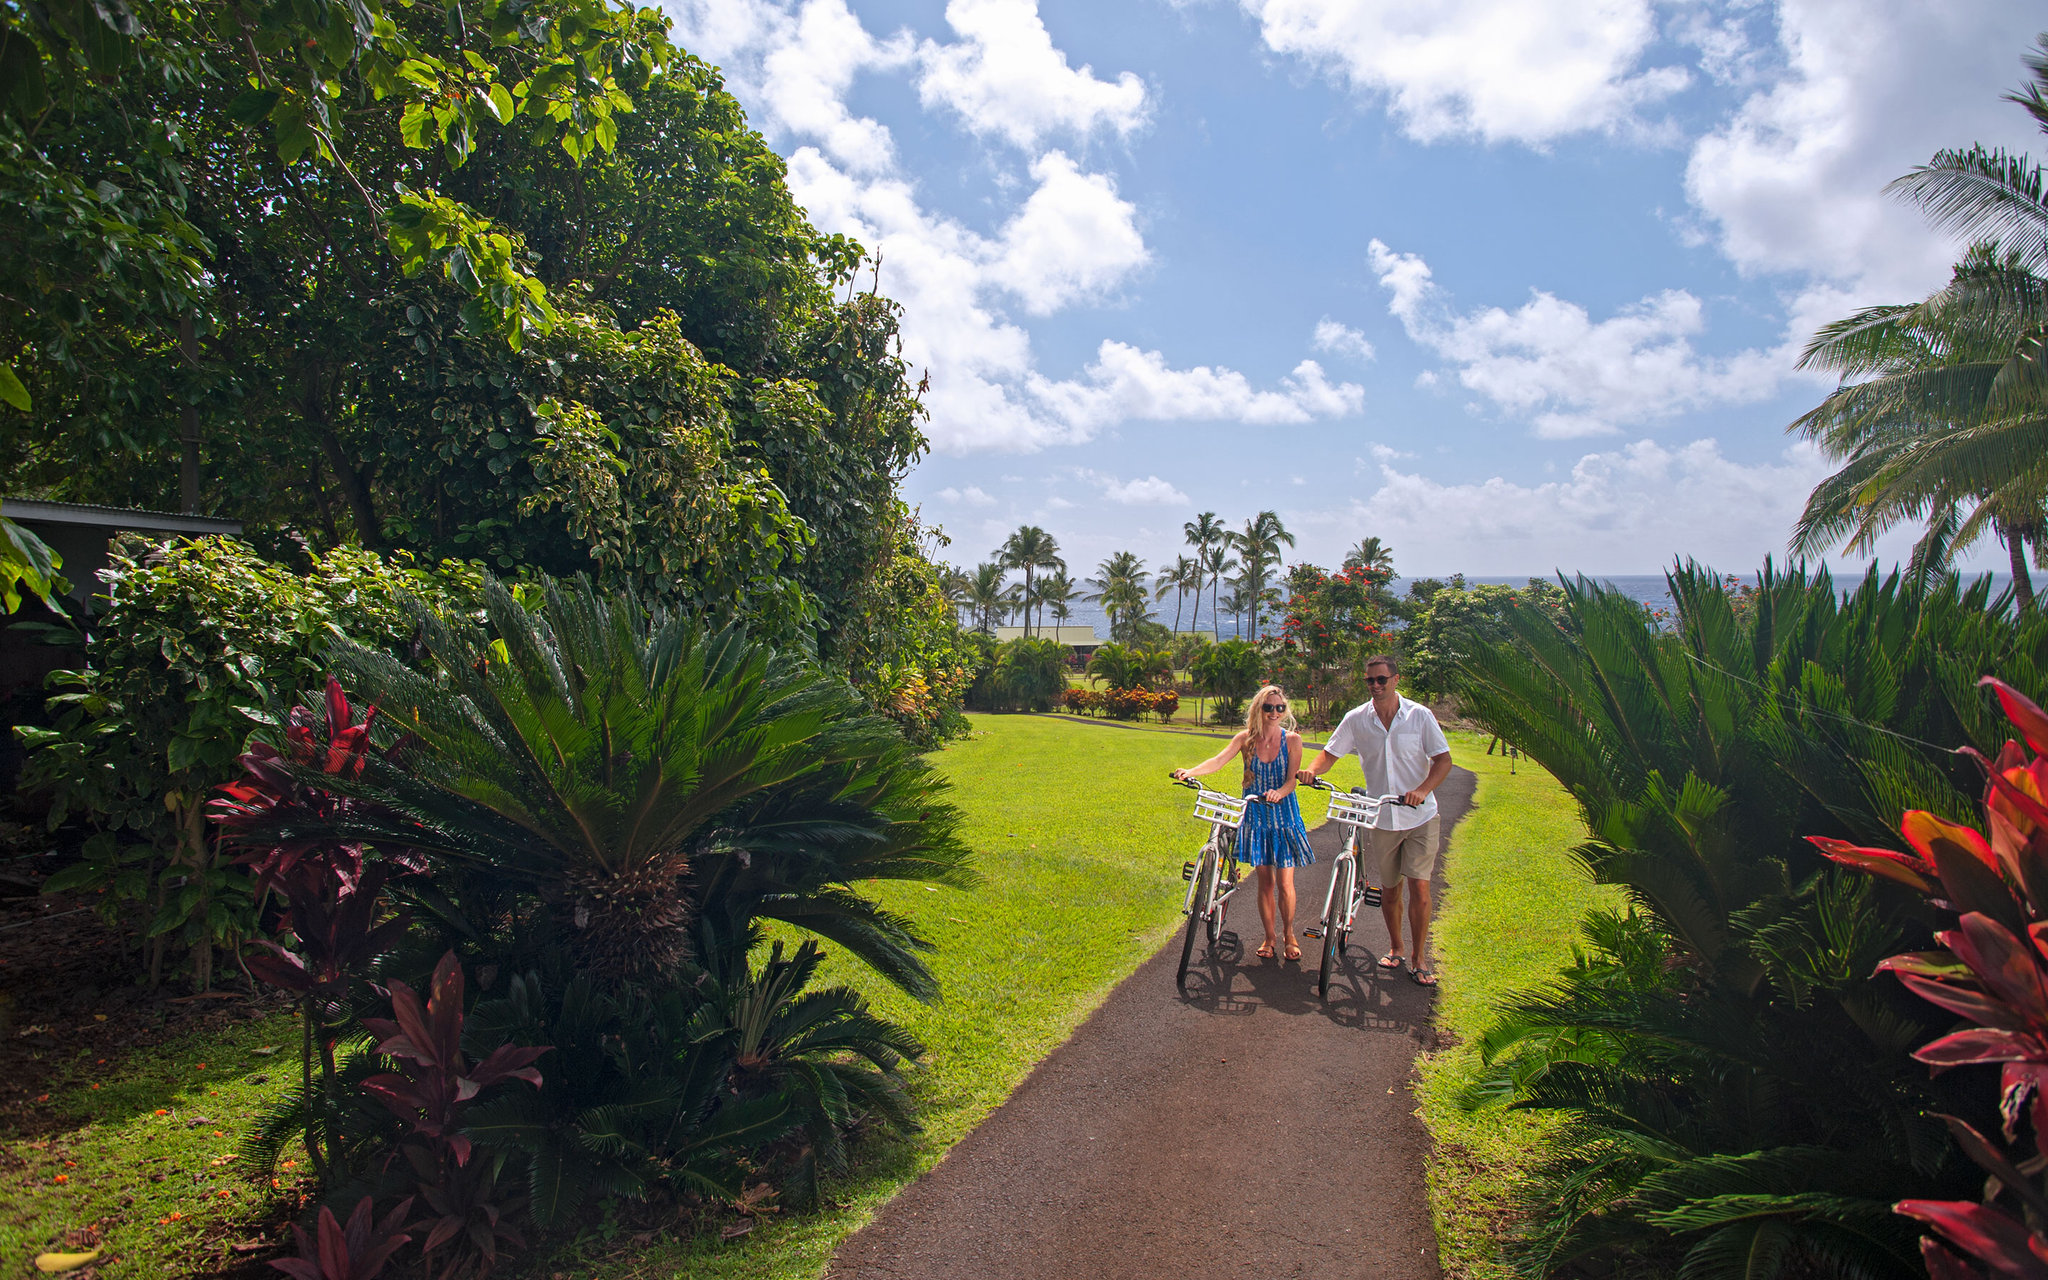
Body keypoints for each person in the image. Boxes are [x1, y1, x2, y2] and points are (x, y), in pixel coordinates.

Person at [1297, 655, 1452, 986]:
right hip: (1382, 817)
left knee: (1420, 886)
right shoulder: (1357, 719)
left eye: (1382, 679)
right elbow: (1330, 753)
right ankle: (1396, 947)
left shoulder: (1419, 716)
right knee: (1390, 890)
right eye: (1370, 680)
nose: (1376, 685)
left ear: (1396, 680)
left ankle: (1419, 958)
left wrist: (1422, 790)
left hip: (1420, 816)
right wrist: (1311, 770)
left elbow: (1443, 760)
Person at [1171, 685, 1315, 962]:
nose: (1274, 713)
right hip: (1256, 817)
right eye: (1268, 707)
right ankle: (1269, 937)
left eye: (1280, 708)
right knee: (1265, 883)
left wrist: (1279, 793)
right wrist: (1191, 771)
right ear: (1258, 709)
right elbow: (1218, 760)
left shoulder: (1292, 741)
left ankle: (1289, 934)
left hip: (1283, 817)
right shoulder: (1245, 739)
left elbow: (1291, 781)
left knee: (1285, 883)